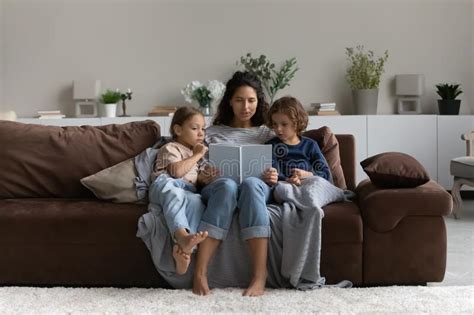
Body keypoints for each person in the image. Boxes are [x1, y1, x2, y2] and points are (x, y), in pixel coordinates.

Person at [192, 71, 276, 297]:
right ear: (229, 101)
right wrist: (203, 176)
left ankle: (260, 276)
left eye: (251, 100)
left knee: (249, 184)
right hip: (219, 187)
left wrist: (273, 176)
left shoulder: (268, 134)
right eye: (239, 100)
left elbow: (283, 165)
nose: (245, 106)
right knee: (228, 185)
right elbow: (195, 169)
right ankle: (200, 273)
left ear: (259, 102)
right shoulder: (210, 133)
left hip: (255, 187)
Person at [148, 106, 209, 275]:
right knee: (174, 191)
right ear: (178, 129)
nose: (201, 133)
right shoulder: (171, 148)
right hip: (165, 185)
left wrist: (206, 178)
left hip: (187, 191)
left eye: (203, 129)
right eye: (195, 128)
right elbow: (176, 173)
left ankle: (184, 253)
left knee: (197, 202)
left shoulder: (198, 153)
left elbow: (196, 181)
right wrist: (196, 156)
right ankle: (181, 236)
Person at [265, 96, 331, 191]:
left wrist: (308, 175)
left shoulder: (310, 145)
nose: (278, 129)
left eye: (284, 124)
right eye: (275, 124)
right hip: (284, 187)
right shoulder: (271, 146)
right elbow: (275, 174)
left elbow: (325, 173)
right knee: (282, 189)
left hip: (309, 184)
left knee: (318, 182)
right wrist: (289, 180)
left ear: (296, 123)